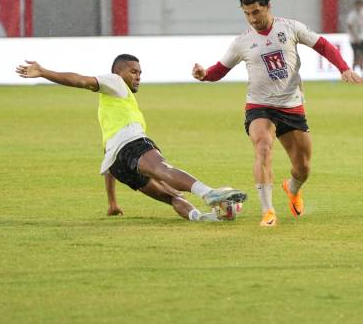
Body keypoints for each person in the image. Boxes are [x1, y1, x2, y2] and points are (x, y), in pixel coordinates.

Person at [192, 0, 362, 226]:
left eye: (256, 12)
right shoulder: (242, 41)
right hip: (259, 105)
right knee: (262, 147)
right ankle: (268, 211)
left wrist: (343, 67)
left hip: (291, 105)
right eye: (247, 14)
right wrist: (204, 74)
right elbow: (220, 69)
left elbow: (322, 44)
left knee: (302, 167)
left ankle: (292, 188)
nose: (253, 18)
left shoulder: (290, 28)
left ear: (268, 6)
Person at [16, 55, 247, 221]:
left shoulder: (111, 111)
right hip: (132, 144)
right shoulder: (114, 82)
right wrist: (44, 72)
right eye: (133, 71)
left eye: (140, 73)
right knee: (162, 169)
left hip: (117, 164)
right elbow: (82, 80)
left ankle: (204, 218)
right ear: (118, 72)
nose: (138, 77)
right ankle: (209, 193)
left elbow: (108, 159)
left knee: (171, 196)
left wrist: (112, 202)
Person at [346, 0, 363, 75]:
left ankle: (361, 74)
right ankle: (353, 74)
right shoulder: (352, 15)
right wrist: (355, 37)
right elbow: (349, 26)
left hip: (361, 39)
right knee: (356, 56)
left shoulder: (362, 14)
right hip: (354, 40)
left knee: (361, 56)